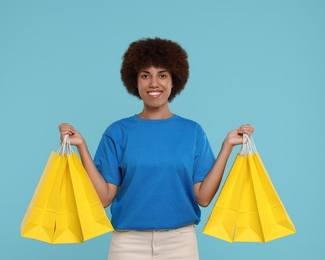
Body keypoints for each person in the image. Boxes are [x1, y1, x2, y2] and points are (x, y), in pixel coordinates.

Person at [59, 37, 254, 260]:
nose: (154, 83)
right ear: (135, 81)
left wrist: (227, 147)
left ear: (174, 81)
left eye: (162, 75)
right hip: (128, 243)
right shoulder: (117, 132)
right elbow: (103, 199)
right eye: (145, 75)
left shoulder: (192, 132)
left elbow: (203, 197)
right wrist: (82, 147)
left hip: (181, 242)